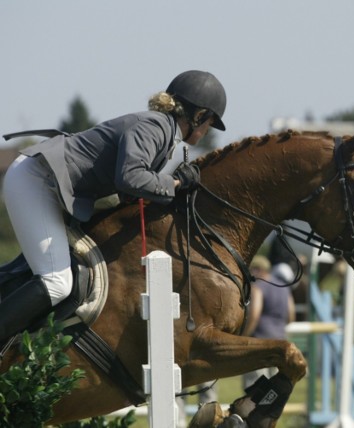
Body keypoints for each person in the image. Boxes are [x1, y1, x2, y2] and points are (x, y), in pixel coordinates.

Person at [0, 70, 227, 343]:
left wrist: (172, 187)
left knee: (44, 273)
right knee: (57, 283)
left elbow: (130, 191)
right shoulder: (154, 126)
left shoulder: (163, 133)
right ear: (198, 115)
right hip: (36, 181)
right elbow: (131, 177)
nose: (206, 132)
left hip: (51, 185)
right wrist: (175, 182)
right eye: (209, 123)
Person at [242, 255, 295, 389]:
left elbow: (254, 314)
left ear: (258, 269)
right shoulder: (283, 287)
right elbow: (291, 315)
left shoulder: (258, 287)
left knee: (255, 388)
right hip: (280, 341)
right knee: (274, 389)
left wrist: (244, 335)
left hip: (260, 342)